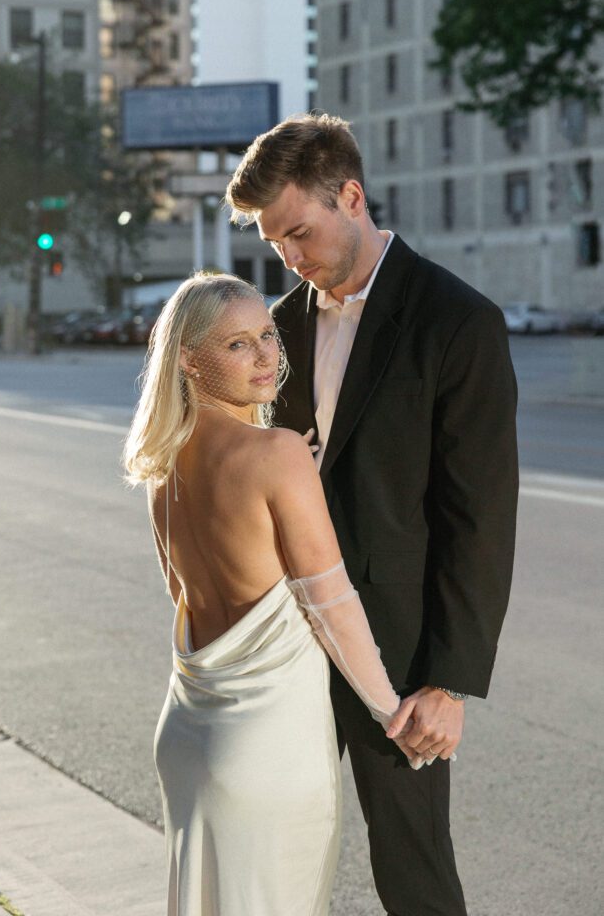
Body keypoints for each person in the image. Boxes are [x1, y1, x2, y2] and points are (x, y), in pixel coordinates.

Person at [225, 113, 519, 916]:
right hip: (281, 642)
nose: (288, 257)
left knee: (411, 866)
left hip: (393, 655)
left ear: (350, 196)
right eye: (274, 242)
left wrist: (448, 682)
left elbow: (479, 517)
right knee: (273, 847)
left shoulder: (459, 322)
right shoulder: (277, 328)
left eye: (297, 233)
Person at [123, 273, 421, 916]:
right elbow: (331, 601)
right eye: (237, 345)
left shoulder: (160, 467)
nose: (266, 357)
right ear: (186, 359)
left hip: (187, 735)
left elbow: (185, 591)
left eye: (268, 336)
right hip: (268, 750)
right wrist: (388, 710)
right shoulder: (279, 455)